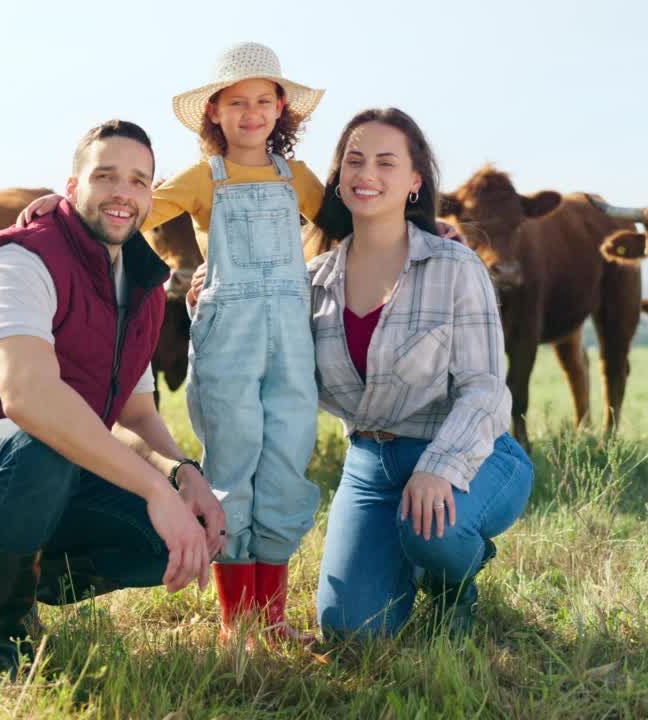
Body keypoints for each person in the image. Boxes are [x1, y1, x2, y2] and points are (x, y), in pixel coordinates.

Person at [0, 119, 226, 678]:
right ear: (72, 188)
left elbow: (138, 414)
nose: (122, 192)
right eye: (105, 175)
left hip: (51, 474)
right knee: (41, 441)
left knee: (176, 522)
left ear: (152, 195)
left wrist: (183, 475)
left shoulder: (142, 289)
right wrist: (153, 488)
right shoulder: (21, 263)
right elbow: (28, 399)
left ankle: (4, 580)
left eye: (138, 180)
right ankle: (0, 644)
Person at [20, 42, 326, 642]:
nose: (251, 112)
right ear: (214, 111)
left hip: (291, 337)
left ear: (281, 107)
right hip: (231, 339)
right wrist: (57, 211)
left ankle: (277, 619)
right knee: (235, 464)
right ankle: (240, 623)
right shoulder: (201, 178)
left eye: (264, 100)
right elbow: (126, 212)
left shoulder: (299, 178)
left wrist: (313, 266)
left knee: (286, 462)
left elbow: (338, 223)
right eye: (237, 102)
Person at [194, 108, 534, 638]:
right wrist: (215, 294)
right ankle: (408, 556)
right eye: (354, 161)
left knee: (435, 536)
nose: (366, 174)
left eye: (385, 161)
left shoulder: (454, 267)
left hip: (468, 452)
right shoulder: (304, 283)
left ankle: (453, 583)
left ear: (415, 181)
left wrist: (438, 467)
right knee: (351, 632)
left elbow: (486, 391)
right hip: (371, 464)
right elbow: (257, 356)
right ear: (337, 179)